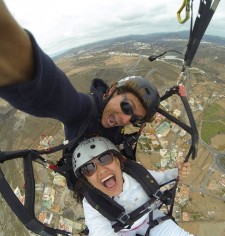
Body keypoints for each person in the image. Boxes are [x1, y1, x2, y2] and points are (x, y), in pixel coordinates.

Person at [0, 0, 160, 164]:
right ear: (112, 90)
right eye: (127, 107)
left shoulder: (118, 124)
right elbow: (50, 92)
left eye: (134, 119)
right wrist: (10, 45)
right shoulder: (82, 111)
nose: (126, 120)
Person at [72, 136, 225, 236]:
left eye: (105, 158)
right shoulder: (93, 202)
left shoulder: (134, 173)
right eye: (89, 168)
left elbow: (158, 178)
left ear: (117, 161)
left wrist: (177, 173)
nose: (101, 170)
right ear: (87, 179)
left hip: (150, 219)